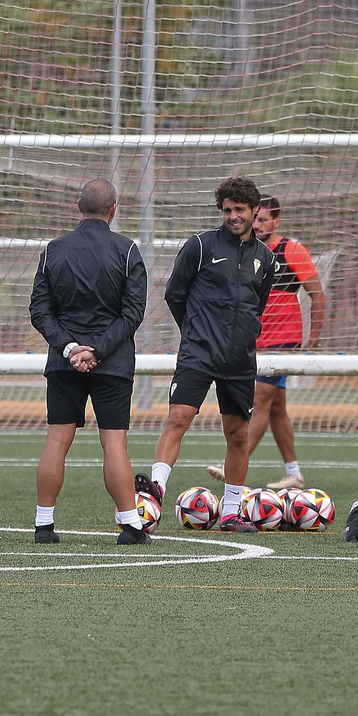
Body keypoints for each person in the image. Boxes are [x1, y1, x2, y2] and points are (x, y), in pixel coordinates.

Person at [134, 176, 276, 534]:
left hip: (240, 360)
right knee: (178, 418)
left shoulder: (266, 258)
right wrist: (196, 332)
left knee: (238, 434)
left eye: (240, 210)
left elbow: (257, 305)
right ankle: (154, 496)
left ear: (254, 211)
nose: (233, 217)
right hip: (199, 352)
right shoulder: (199, 245)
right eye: (227, 210)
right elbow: (174, 294)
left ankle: (231, 512)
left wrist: (240, 336)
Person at [28, 179, 150, 545]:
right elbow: (133, 313)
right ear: (114, 209)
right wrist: (97, 350)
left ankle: (44, 525)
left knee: (56, 440)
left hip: (64, 364)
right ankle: (130, 525)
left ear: (78, 206)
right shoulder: (128, 251)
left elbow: (38, 310)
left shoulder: (53, 250)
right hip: (112, 363)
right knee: (114, 443)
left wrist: (69, 348)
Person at [206, 196, 325, 491]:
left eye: (263, 219)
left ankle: (234, 461)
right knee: (276, 408)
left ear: (276, 221)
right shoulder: (246, 251)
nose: (257, 224)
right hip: (255, 339)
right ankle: (294, 472)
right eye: (255, 218)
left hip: (284, 340)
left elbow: (318, 295)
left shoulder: (291, 250)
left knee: (259, 399)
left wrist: (315, 340)